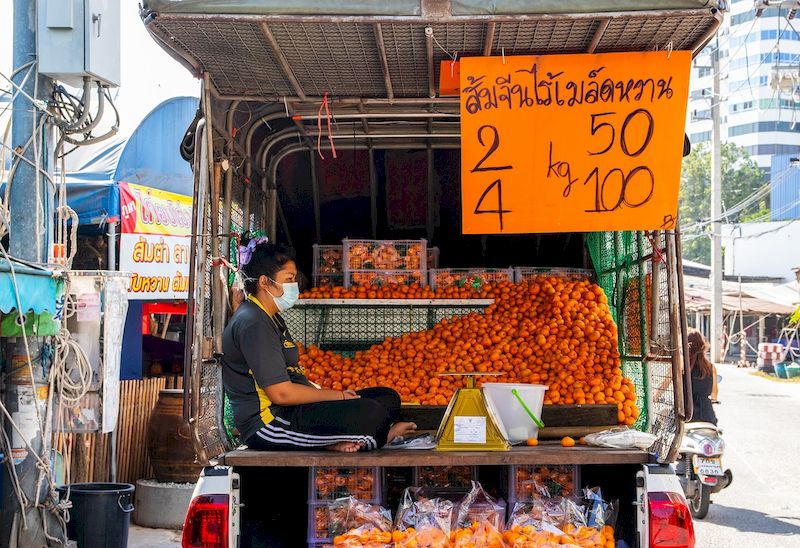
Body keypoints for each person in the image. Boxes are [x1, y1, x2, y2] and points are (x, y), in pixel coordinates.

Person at [221, 237, 416, 452]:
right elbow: (282, 394)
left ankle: (334, 440)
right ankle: (382, 437)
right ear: (264, 282)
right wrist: (337, 396)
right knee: (372, 413)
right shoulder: (254, 323)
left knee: (386, 398)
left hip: (293, 409)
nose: (294, 285)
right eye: (288, 278)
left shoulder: (268, 316)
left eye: (294, 278)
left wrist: (333, 396)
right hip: (269, 423)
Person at [687, 329, 718, 425]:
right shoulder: (711, 367)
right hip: (707, 416)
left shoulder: (682, 367)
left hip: (687, 415)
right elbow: (714, 394)